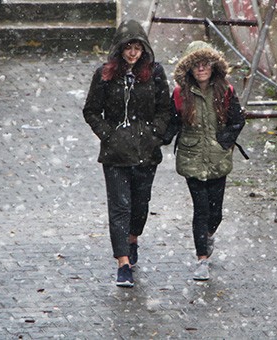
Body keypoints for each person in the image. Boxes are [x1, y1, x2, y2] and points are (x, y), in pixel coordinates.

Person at [83, 20, 171, 287]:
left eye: (137, 48)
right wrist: (108, 134)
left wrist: (154, 134)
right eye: (128, 48)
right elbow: (91, 110)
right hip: (115, 155)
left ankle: (132, 239)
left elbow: (165, 109)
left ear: (144, 49)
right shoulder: (105, 75)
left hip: (146, 152)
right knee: (119, 207)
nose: (133, 53)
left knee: (140, 205)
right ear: (119, 49)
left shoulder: (155, 73)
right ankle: (122, 262)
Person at [171, 41, 246, 281]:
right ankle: (201, 258)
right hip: (191, 157)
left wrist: (223, 142)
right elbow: (172, 122)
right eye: (196, 65)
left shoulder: (226, 91)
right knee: (200, 210)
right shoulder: (180, 94)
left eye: (206, 64)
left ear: (213, 67)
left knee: (216, 213)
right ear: (189, 69)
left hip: (217, 158)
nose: (201, 69)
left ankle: (208, 235)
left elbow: (237, 120)